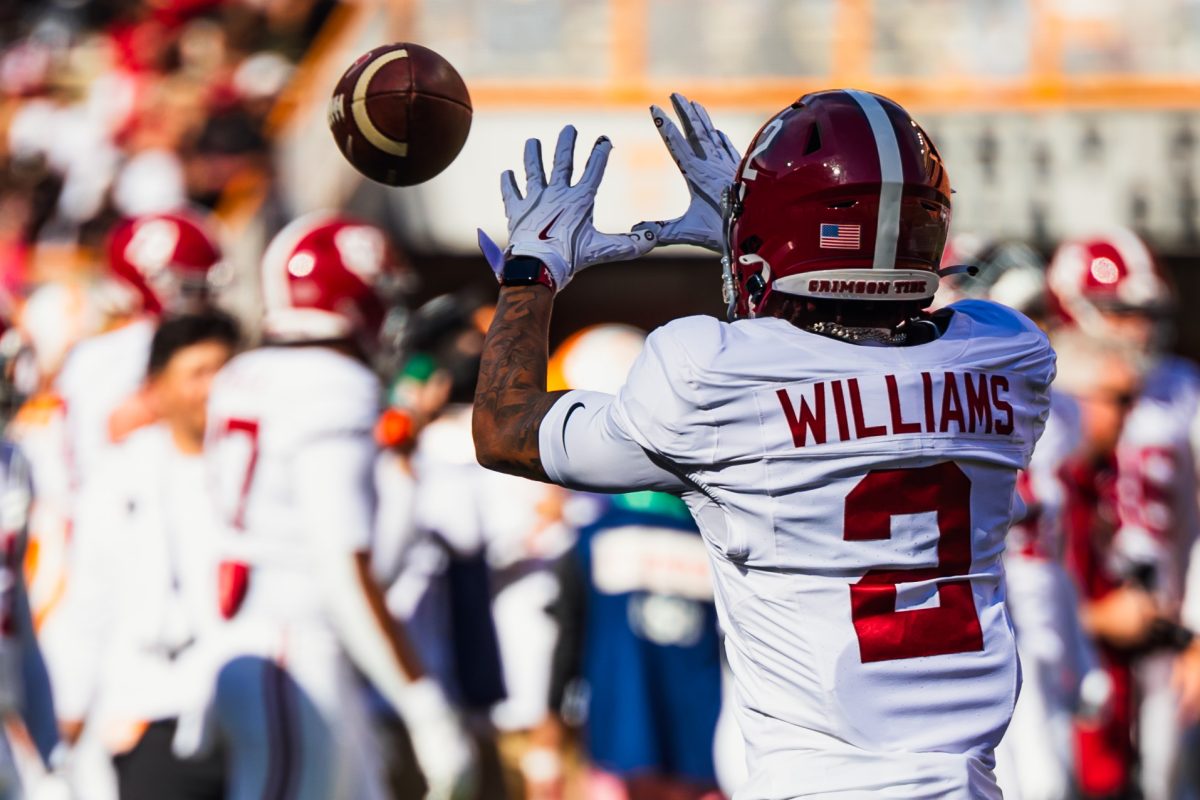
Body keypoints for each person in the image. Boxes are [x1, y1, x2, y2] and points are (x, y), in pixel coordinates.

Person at [470, 91, 1055, 798]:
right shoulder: (1009, 356)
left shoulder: (712, 373)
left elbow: (505, 431)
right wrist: (757, 237)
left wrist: (529, 277)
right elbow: (847, 365)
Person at [193, 213, 475, 800]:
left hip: (252, 638)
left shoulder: (245, 373)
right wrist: (426, 708)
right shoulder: (331, 384)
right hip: (295, 648)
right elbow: (343, 566)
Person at [52, 311, 239, 800]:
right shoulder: (121, 477)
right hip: (151, 711)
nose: (213, 388)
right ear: (156, 389)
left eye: (224, 370)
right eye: (197, 373)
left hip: (248, 714)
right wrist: (70, 710)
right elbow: (89, 599)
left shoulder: (260, 470)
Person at [1046, 231, 1200, 800]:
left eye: (1145, 312)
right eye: (1120, 310)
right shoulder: (1044, 397)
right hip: (1078, 626)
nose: (1137, 329)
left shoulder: (1182, 389)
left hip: (1168, 630)